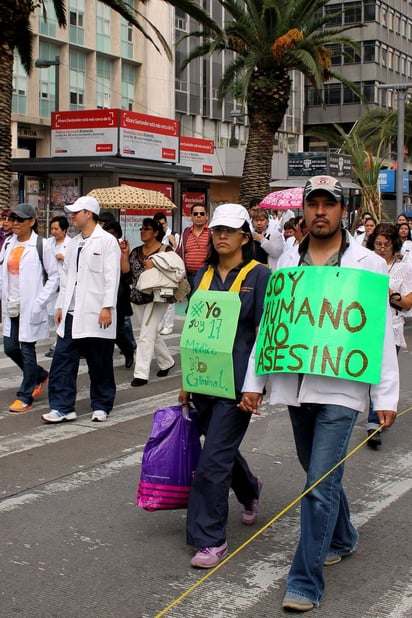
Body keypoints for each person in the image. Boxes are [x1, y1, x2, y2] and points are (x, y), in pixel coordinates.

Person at [241, 175, 399, 612]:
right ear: (304, 210)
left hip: (342, 387)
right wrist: (255, 383)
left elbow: (379, 332)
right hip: (296, 385)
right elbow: (272, 327)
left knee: (318, 484)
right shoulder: (289, 262)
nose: (321, 212)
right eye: (314, 204)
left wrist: (386, 394)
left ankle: (305, 581)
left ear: (342, 210)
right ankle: (344, 535)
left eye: (329, 204)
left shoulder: (368, 264)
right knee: (316, 471)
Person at [179, 203, 270, 569]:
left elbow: (266, 333)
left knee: (212, 461)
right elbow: (194, 330)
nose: (220, 236)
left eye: (229, 231)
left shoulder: (261, 275)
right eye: (217, 230)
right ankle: (249, 489)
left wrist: (256, 386)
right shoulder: (202, 275)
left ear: (245, 237)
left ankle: (210, 539)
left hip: (236, 386)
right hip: (203, 381)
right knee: (220, 451)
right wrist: (186, 380)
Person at [41, 195, 120, 423]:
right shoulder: (74, 242)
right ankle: (63, 407)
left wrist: (107, 306)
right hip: (71, 313)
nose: (72, 216)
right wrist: (60, 305)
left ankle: (102, 405)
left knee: (100, 362)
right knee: (62, 361)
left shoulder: (106, 241)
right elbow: (66, 279)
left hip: (97, 313)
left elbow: (111, 277)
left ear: (89, 214)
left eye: (76, 212)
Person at [0, 203, 59, 413]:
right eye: (12, 219)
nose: (14, 223)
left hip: (30, 305)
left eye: (19, 220)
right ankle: (40, 374)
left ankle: (25, 396)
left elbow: (54, 276)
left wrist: (39, 301)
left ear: (32, 221)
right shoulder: (8, 243)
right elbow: (3, 275)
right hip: (12, 305)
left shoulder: (41, 245)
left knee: (26, 348)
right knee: (9, 347)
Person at [365, 223, 412, 447]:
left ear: (395, 245)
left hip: (392, 326)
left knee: (380, 372)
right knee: (366, 372)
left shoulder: (404, 269)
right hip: (366, 324)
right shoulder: (366, 265)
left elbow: (407, 303)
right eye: (378, 245)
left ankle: (374, 423)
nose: (382, 249)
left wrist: (389, 293)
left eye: (386, 245)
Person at [129, 218, 175, 386]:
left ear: (156, 232)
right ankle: (167, 362)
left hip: (157, 297)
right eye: (141, 228)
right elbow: (128, 272)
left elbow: (176, 271)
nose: (142, 231)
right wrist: (123, 252)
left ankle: (141, 374)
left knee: (145, 335)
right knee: (151, 332)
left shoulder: (166, 251)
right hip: (138, 297)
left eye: (147, 229)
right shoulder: (135, 251)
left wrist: (155, 266)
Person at [103, 220, 136, 369]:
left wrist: (124, 254)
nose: (109, 237)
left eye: (112, 234)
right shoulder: (99, 245)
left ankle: (128, 349)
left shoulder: (121, 247)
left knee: (118, 330)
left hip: (119, 293)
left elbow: (126, 272)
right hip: (100, 291)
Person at [44, 215, 72, 358]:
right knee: (50, 313)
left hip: (63, 286)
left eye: (56, 229)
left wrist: (64, 258)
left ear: (65, 230)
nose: (53, 232)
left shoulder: (71, 244)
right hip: (50, 284)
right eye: (52, 228)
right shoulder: (48, 243)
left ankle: (58, 343)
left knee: (59, 314)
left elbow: (75, 265)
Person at [177, 203, 211, 303]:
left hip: (207, 276)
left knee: (203, 304)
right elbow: (179, 253)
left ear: (206, 216)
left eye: (202, 213)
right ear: (191, 216)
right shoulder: (185, 233)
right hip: (189, 277)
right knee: (191, 304)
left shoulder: (212, 233)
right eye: (195, 214)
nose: (199, 216)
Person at [153, 211, 180, 335]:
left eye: (163, 224)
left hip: (169, 272)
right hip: (158, 271)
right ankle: (161, 323)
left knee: (169, 299)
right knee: (159, 299)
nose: (161, 226)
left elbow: (179, 254)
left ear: (166, 223)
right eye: (158, 224)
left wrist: (173, 243)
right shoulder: (155, 236)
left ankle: (168, 325)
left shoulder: (173, 235)